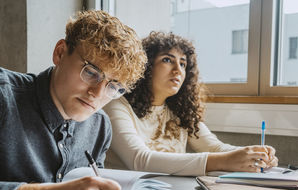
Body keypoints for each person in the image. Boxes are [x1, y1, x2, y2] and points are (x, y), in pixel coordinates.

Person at [0, 10, 147, 190]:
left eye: (113, 87)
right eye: (92, 72)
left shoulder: (100, 127)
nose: (97, 93)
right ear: (60, 53)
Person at [103, 31, 278, 176]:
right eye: (167, 60)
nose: (178, 70)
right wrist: (225, 160)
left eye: (183, 63)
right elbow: (140, 160)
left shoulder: (180, 111)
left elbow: (215, 147)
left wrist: (254, 154)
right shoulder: (116, 104)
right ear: (145, 66)